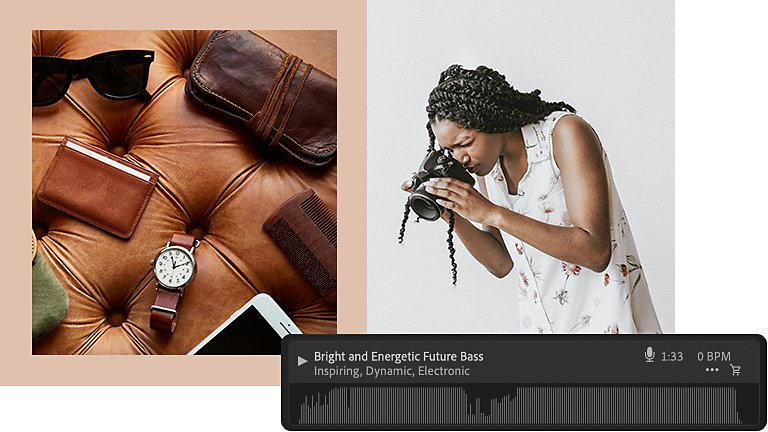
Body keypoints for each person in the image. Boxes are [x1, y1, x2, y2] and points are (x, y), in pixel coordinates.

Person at [401, 64, 661, 334]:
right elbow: (501, 263)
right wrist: (448, 208)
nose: (460, 158)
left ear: (489, 118)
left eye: (465, 143)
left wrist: (491, 213)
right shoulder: (490, 167)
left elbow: (596, 253)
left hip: (607, 322)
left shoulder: (563, 134)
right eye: (449, 150)